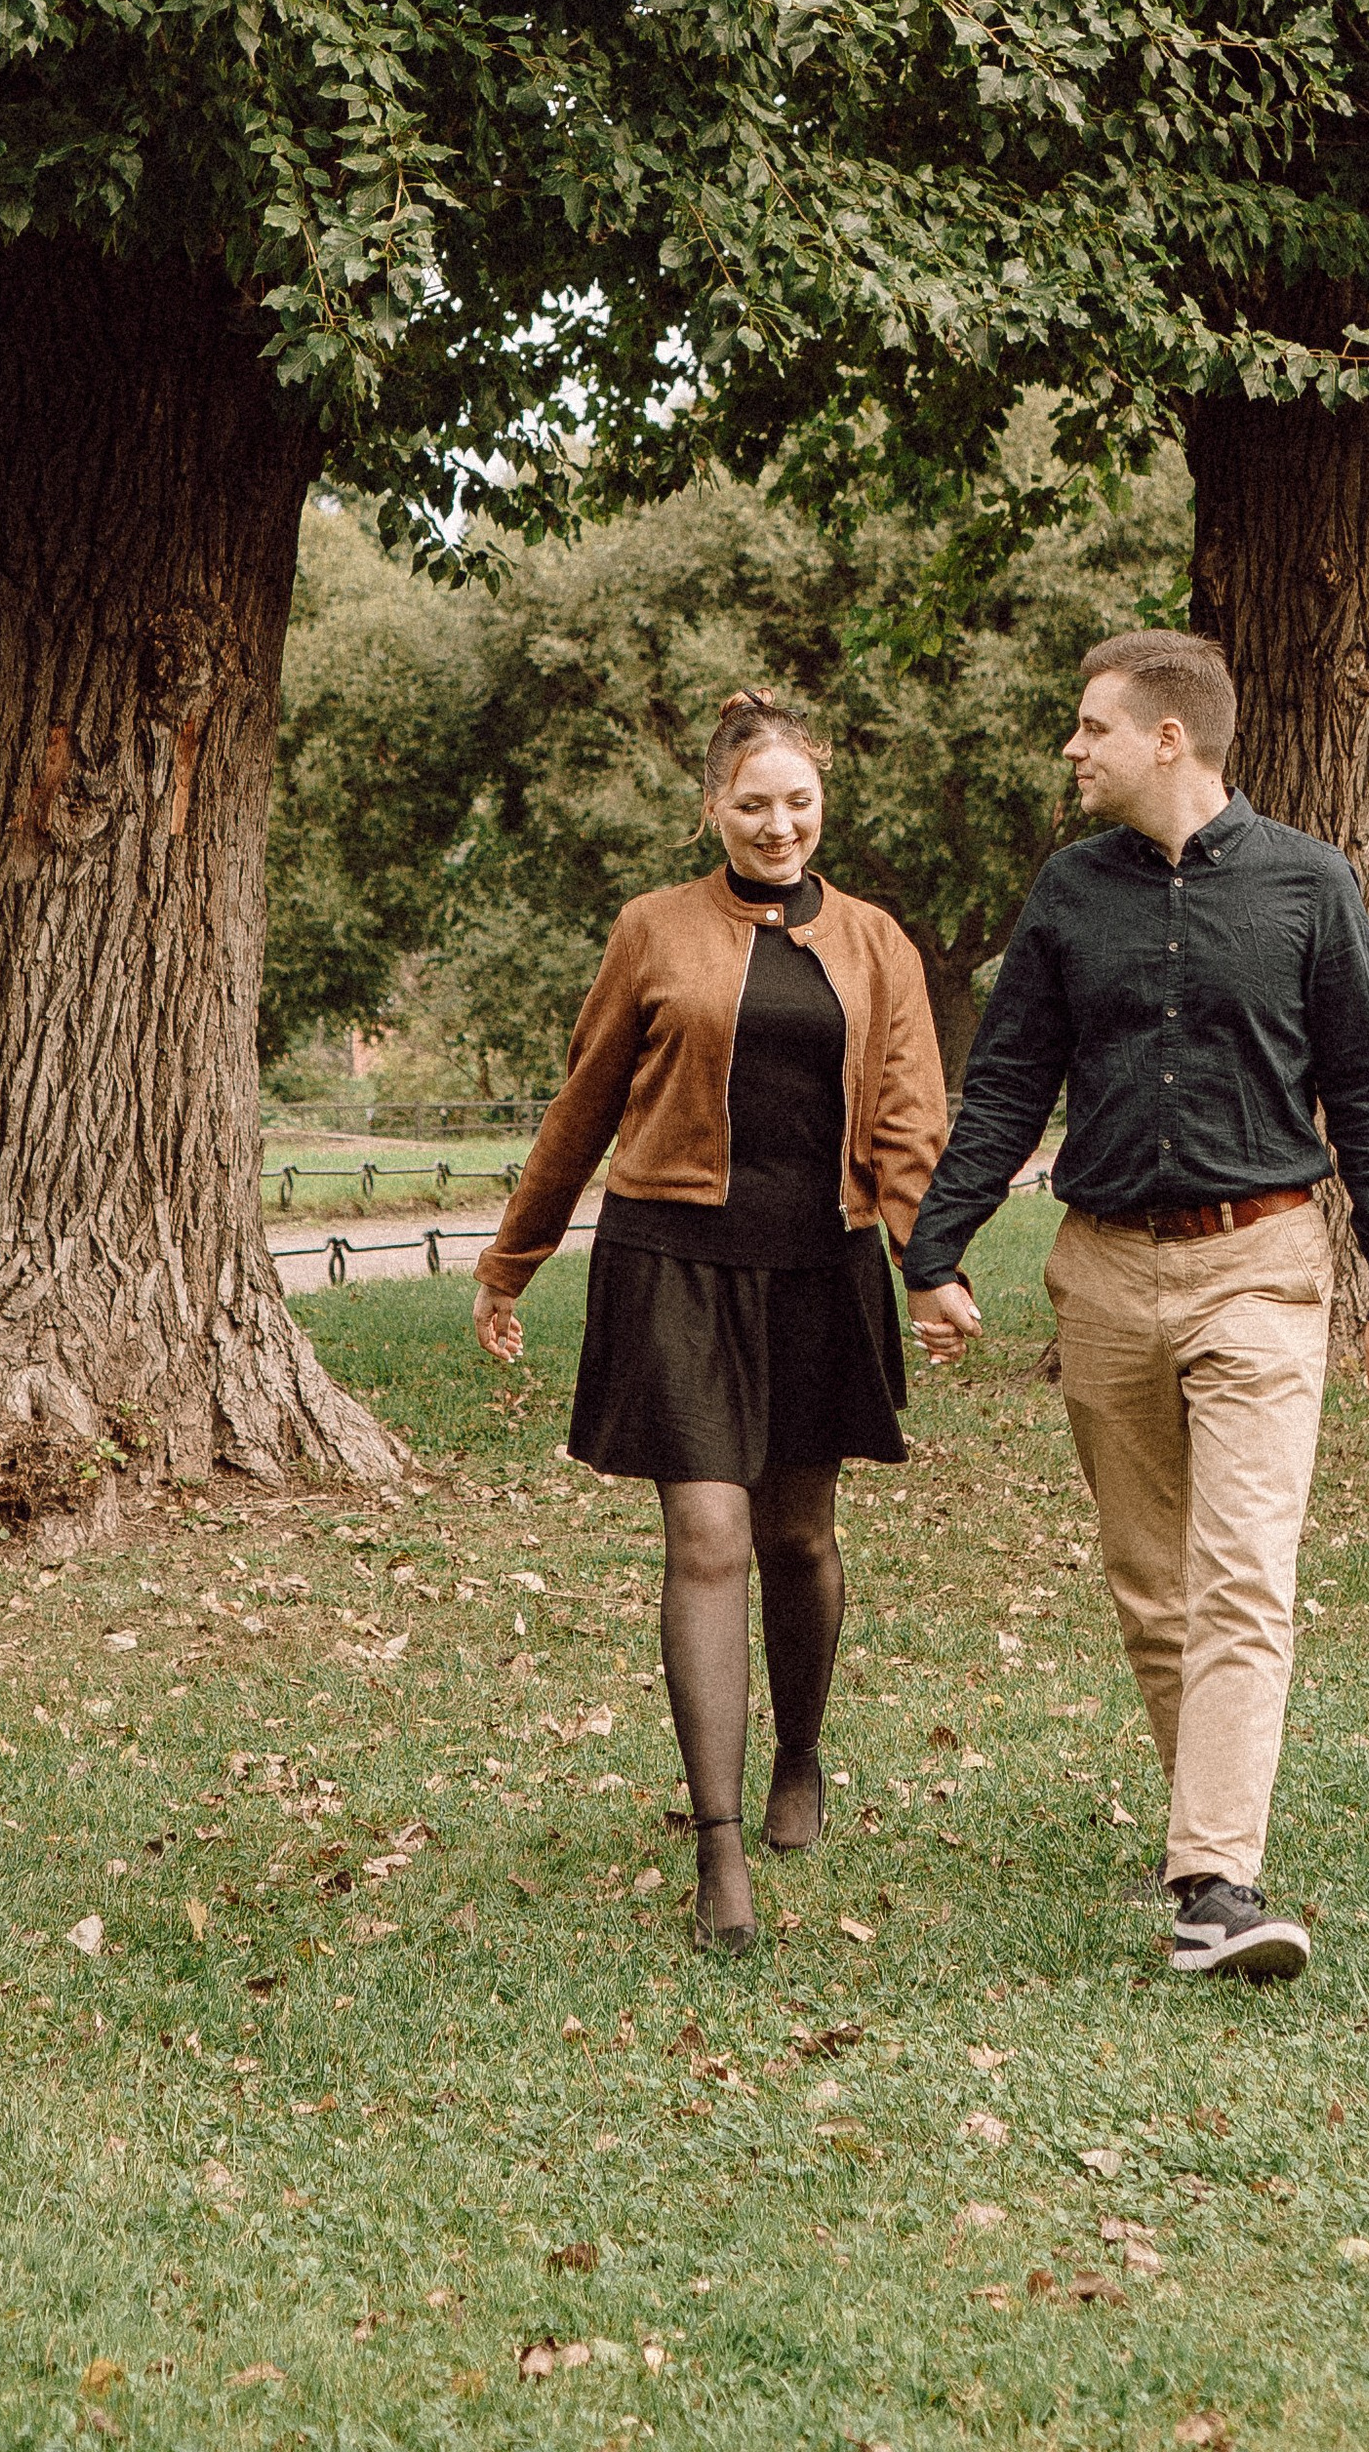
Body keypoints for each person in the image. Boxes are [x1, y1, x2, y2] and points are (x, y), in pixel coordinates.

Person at [902, 628, 1369, 1984]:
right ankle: (1213, 1832)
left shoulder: (1311, 886)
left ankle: (1214, 1879)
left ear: (1168, 738)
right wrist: (937, 1248)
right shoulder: (1069, 894)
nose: (1072, 750)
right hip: (1104, 1271)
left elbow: (1367, 1096)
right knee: (1153, 1588)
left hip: (1261, 1263)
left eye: (1091, 727)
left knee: (1243, 1573)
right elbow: (1010, 1081)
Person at [471, 690, 947, 1954]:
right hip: (674, 1260)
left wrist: (926, 1257)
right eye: (753, 805)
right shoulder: (653, 931)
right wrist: (511, 1261)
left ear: (822, 801)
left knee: (797, 1537)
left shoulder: (874, 942)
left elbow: (906, 1115)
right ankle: (719, 1843)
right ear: (712, 809)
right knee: (708, 1534)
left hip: (818, 1269)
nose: (778, 826)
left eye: (798, 803)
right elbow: (582, 1104)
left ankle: (801, 1755)